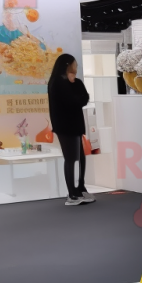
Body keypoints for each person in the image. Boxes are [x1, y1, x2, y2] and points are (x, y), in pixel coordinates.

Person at [48, 53, 94, 206]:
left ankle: (80, 187)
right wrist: (72, 87)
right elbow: (72, 101)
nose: (76, 67)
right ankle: (72, 193)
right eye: (74, 64)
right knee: (71, 158)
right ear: (68, 64)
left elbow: (84, 98)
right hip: (65, 125)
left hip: (75, 125)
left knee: (80, 157)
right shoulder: (57, 82)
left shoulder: (75, 82)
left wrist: (75, 84)